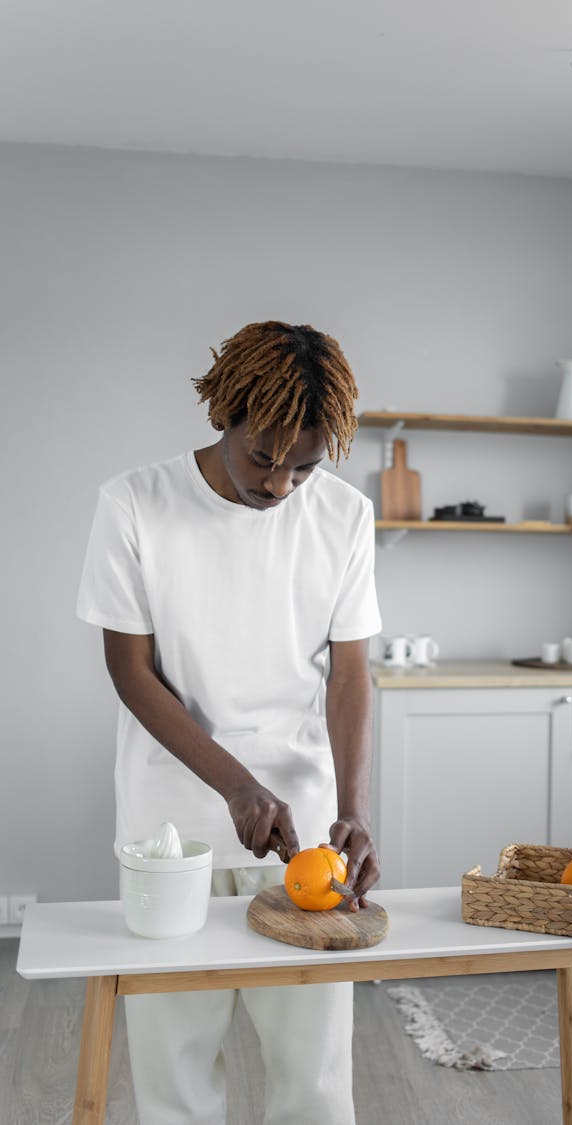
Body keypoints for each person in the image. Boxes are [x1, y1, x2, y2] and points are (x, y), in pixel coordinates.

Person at [76, 320, 382, 1125]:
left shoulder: (345, 518)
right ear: (226, 416)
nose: (280, 484)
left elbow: (350, 674)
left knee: (314, 1074)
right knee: (175, 1072)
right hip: (168, 834)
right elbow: (130, 672)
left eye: (305, 467)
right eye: (264, 457)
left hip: (304, 835)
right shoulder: (134, 503)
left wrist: (351, 806)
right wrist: (237, 786)